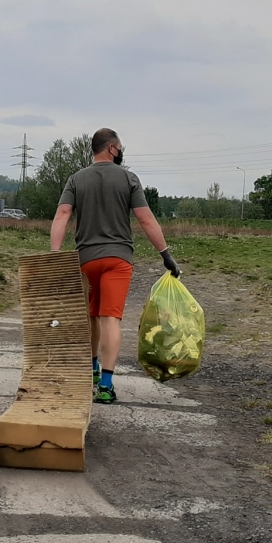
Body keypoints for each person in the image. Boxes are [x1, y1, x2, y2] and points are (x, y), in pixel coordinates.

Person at [50, 128, 180, 404]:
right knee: (110, 319)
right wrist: (165, 254)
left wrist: (55, 253)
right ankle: (106, 386)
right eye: (120, 147)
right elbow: (146, 220)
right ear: (111, 148)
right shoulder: (128, 179)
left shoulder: (76, 179)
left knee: (92, 316)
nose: (121, 152)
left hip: (86, 260)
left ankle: (93, 370)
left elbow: (62, 214)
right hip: (118, 259)